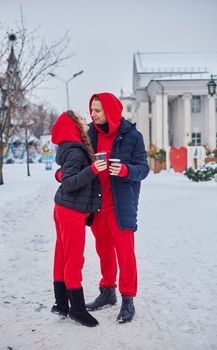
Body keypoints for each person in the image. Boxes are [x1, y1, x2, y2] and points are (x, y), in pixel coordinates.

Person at [86, 92, 149, 323]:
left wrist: (124, 171)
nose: (93, 114)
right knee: (104, 251)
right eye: (92, 110)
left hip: (120, 206)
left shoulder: (133, 136)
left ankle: (128, 300)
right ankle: (107, 292)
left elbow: (143, 169)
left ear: (111, 111)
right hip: (97, 205)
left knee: (125, 254)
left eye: (98, 110)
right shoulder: (90, 135)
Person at [50, 110, 107, 327]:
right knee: (74, 259)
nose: (86, 120)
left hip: (65, 209)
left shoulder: (74, 148)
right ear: (73, 126)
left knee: (62, 256)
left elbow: (64, 177)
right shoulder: (75, 152)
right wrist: (93, 169)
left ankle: (62, 304)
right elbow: (69, 182)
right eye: (82, 119)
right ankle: (78, 309)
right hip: (70, 212)